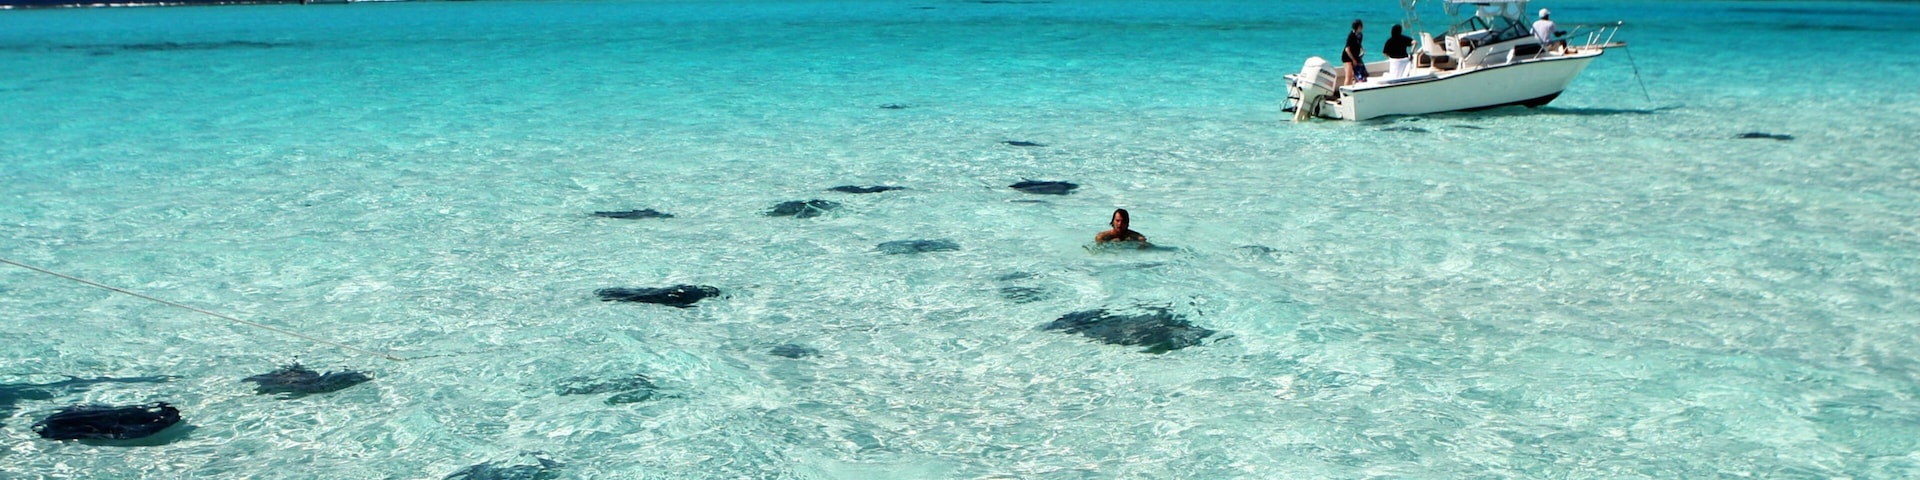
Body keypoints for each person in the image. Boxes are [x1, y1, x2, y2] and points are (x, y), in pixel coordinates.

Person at [1342, 19, 1368, 85]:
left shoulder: (1360, 35)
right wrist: (1353, 60)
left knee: (1358, 74)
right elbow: (1347, 49)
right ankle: (1345, 92)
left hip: (1355, 56)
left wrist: (1362, 49)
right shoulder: (1351, 35)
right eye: (1361, 26)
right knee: (1349, 75)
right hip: (1347, 57)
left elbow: (1358, 44)